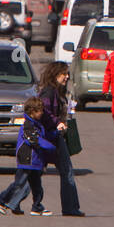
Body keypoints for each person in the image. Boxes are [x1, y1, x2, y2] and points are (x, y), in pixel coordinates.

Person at [0, 97, 56, 216]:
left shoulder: (37, 125)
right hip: (27, 159)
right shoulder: (28, 125)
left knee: (36, 186)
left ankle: (36, 207)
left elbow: (44, 135)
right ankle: (0, 200)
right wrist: (50, 147)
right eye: (39, 111)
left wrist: (56, 133)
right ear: (32, 112)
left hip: (35, 161)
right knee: (19, 184)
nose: (42, 113)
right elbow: (34, 140)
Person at [37, 61, 83, 217]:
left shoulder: (57, 92)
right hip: (49, 137)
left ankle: (70, 207)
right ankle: (8, 199)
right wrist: (58, 123)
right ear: (56, 74)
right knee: (33, 172)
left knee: (35, 172)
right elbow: (43, 112)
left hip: (54, 137)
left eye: (68, 74)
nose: (67, 77)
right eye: (65, 74)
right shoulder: (49, 93)